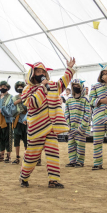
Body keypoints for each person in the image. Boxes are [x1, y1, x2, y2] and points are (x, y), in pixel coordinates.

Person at [20, 58, 76, 188]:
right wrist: (41, 88)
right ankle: (24, 177)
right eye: (38, 72)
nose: (41, 74)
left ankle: (53, 180)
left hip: (51, 127)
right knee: (31, 156)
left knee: (53, 154)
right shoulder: (27, 89)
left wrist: (69, 69)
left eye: (43, 72)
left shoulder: (51, 85)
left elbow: (62, 83)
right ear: (32, 74)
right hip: (36, 129)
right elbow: (33, 103)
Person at [65, 79, 91, 167]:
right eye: (74, 86)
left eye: (78, 86)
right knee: (71, 145)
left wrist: (82, 126)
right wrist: (68, 125)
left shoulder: (85, 100)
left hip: (81, 129)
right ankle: (72, 161)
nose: (76, 88)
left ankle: (80, 161)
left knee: (80, 146)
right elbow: (66, 113)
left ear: (81, 88)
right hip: (71, 128)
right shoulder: (69, 100)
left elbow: (87, 114)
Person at [0, 81, 14, 163]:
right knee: (0, 138)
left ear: (7, 87)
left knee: (8, 138)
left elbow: (11, 111)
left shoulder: (11, 97)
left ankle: (8, 156)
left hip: (7, 121)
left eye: (4, 86)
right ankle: (1, 155)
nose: (2, 88)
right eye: (1, 87)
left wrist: (3, 110)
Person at [12, 81, 27, 165]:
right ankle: (17, 157)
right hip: (17, 121)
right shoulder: (14, 98)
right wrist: (15, 103)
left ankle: (27, 157)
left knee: (26, 140)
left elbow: (29, 108)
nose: (20, 88)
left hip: (26, 121)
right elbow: (11, 110)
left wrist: (22, 100)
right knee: (16, 140)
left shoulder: (27, 97)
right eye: (18, 86)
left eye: (22, 86)